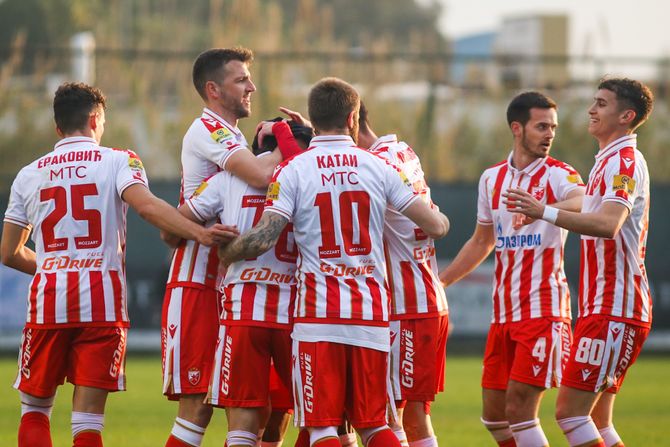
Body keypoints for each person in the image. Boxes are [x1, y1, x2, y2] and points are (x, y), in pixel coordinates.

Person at [219, 77, 449, 447]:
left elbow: (263, 237)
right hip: (370, 315)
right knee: (375, 425)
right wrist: (439, 216)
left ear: (313, 119)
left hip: (318, 318)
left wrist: (226, 252)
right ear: (353, 116)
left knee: (323, 427)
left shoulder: (292, 170)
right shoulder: (378, 167)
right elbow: (435, 227)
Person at [0, 82, 234, 447]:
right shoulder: (118, 160)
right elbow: (147, 206)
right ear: (95, 120)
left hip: (49, 305)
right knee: (88, 422)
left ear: (58, 128)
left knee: (35, 410)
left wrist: (52, 266)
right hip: (102, 305)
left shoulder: (29, 174)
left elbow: (9, 253)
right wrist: (198, 233)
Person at [161, 47, 304, 447]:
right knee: (198, 408)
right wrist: (290, 141)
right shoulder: (210, 129)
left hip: (238, 286)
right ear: (213, 90)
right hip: (201, 281)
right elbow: (261, 175)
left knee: (261, 411)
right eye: (241, 79)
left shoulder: (234, 138)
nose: (251, 86)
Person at [505, 78, 654, 447]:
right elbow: (592, 210)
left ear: (626, 116)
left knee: (570, 413)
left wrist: (544, 211)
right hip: (606, 306)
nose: (592, 109)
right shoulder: (609, 159)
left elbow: (607, 224)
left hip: (615, 308)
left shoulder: (624, 161)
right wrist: (544, 213)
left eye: (601, 103)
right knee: (598, 422)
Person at [439, 91, 585, 447]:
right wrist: (440, 282)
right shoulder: (492, 179)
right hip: (504, 316)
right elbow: (481, 241)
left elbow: (585, 201)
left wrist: (544, 208)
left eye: (553, 127)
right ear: (516, 128)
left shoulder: (558, 174)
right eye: (541, 126)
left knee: (520, 410)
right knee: (494, 417)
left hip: (543, 312)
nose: (549, 134)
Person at [357, 102, 449, 447]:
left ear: (351, 121)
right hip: (426, 297)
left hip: (405, 306)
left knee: (390, 416)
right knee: (413, 416)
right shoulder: (400, 150)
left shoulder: (375, 165)